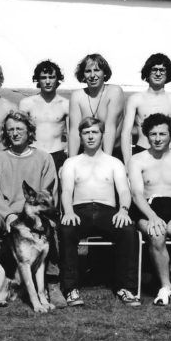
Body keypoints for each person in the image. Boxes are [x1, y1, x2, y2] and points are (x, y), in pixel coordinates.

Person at [0, 111, 66, 309]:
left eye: (19, 129)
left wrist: (37, 215)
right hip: (4, 212)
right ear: (6, 133)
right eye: (11, 129)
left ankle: (53, 282)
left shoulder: (44, 158)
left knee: (53, 226)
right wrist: (8, 215)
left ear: (29, 131)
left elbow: (50, 192)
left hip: (34, 212)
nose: (15, 133)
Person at [59, 117, 140, 307]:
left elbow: (123, 191)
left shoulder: (114, 163)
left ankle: (126, 288)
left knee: (128, 230)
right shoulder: (72, 162)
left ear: (102, 135)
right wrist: (68, 212)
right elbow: (67, 191)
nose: (90, 136)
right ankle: (71, 289)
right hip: (79, 209)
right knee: (66, 231)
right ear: (80, 136)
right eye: (86, 133)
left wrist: (124, 210)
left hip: (107, 210)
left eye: (94, 132)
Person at [128, 114, 171, 306]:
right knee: (156, 233)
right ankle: (165, 287)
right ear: (147, 136)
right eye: (153, 134)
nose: (158, 138)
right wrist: (152, 216)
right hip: (147, 209)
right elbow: (136, 194)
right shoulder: (137, 159)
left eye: (162, 134)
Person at [121, 53, 171, 167]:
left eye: (162, 70)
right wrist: (128, 164)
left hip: (169, 154)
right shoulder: (135, 99)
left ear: (168, 73)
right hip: (142, 152)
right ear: (147, 72)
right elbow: (126, 134)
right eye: (154, 70)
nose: (158, 74)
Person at [68, 53, 126, 161]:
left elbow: (110, 128)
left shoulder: (114, 92)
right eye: (88, 71)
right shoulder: (77, 96)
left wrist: (107, 162)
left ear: (104, 73)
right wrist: (70, 162)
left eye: (97, 70)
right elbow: (74, 132)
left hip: (111, 153)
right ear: (83, 75)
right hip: (85, 153)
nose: (92, 75)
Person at [19, 60, 69, 172]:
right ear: (37, 80)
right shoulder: (26, 104)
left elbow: (72, 134)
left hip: (57, 156)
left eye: (51, 77)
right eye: (43, 77)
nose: (47, 81)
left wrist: (68, 161)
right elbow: (20, 133)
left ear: (57, 79)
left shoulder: (66, 105)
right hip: (32, 154)